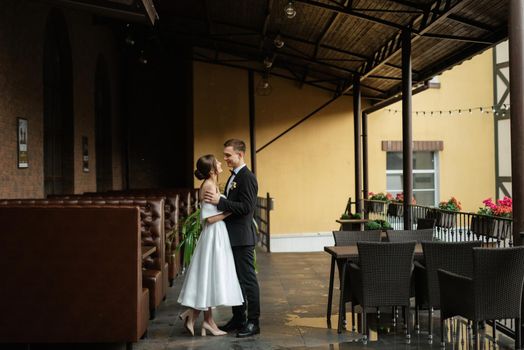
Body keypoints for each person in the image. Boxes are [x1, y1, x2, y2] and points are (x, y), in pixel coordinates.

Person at [177, 154, 244, 336]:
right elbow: (208, 218)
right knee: (211, 275)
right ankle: (203, 320)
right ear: (212, 169)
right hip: (213, 235)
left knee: (211, 276)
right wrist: (229, 211)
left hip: (218, 234)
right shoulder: (208, 185)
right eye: (217, 162)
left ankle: (203, 319)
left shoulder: (212, 183)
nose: (221, 163)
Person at [204, 139, 261, 338]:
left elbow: (247, 208)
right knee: (236, 281)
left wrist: (221, 201)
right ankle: (239, 318)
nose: (225, 159)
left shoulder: (247, 177)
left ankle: (254, 322)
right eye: (225, 155)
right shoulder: (234, 176)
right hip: (231, 236)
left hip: (242, 237)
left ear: (240, 155)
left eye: (228, 155)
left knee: (248, 280)